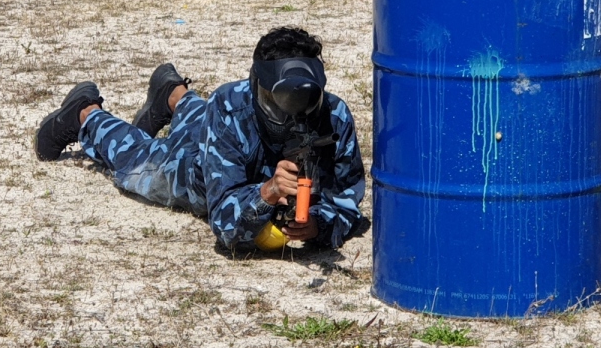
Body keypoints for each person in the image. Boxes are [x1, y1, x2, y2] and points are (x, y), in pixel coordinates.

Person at [33, 27, 366, 251]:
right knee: (137, 160)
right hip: (196, 170)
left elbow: (347, 204)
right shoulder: (230, 106)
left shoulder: (334, 117)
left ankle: (173, 94)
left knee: (201, 118)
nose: (290, 118)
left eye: (303, 105)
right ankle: (86, 112)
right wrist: (268, 193)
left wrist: (318, 226)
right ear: (257, 87)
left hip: (217, 131)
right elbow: (223, 222)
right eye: (277, 104)